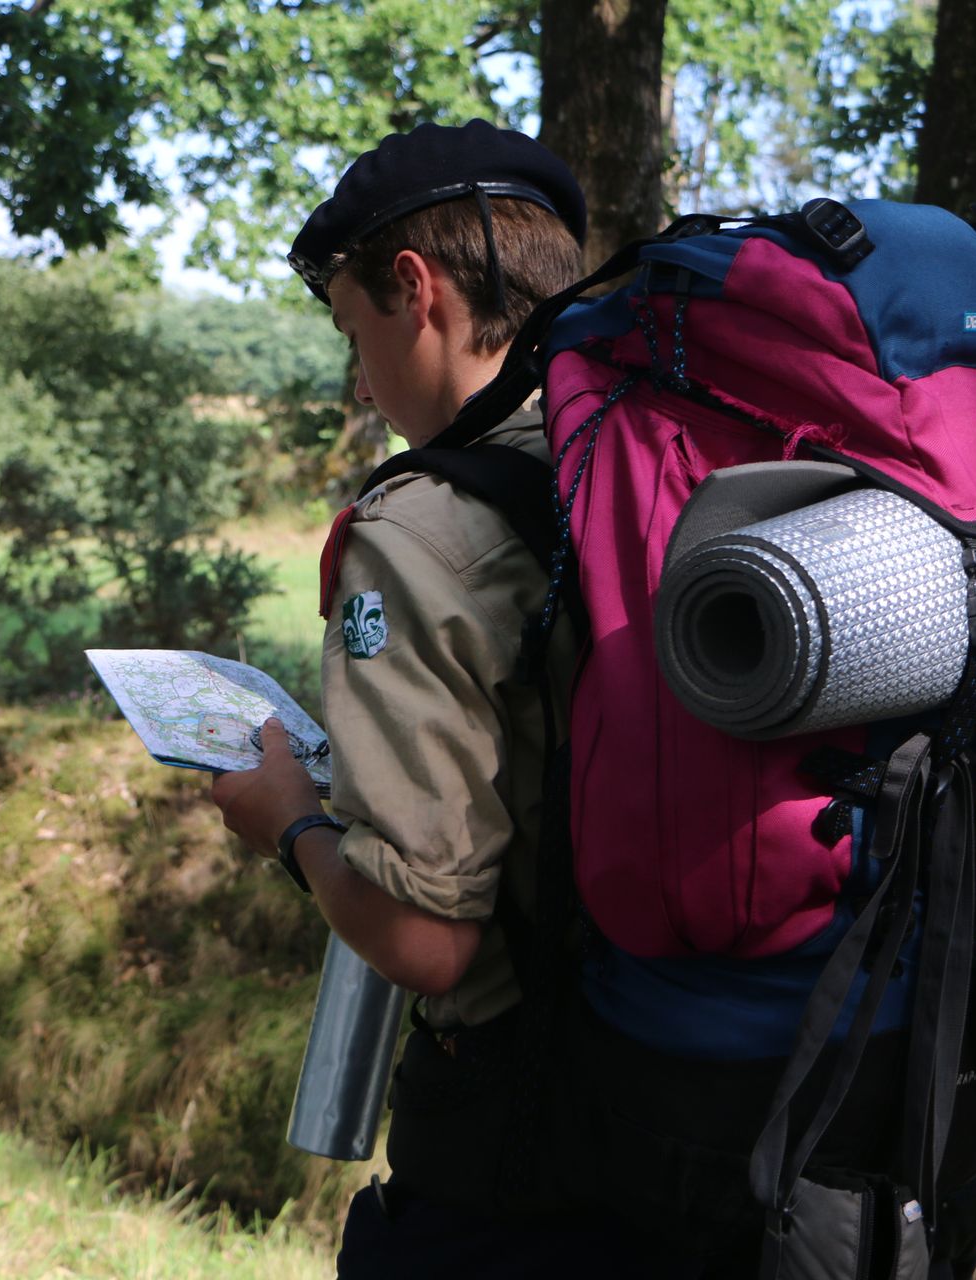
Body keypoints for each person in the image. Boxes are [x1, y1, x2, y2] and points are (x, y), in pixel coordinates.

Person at [208, 121, 655, 1275]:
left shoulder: (423, 530)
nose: (365, 380)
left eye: (359, 335)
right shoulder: (651, 456)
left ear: (417, 290)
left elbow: (426, 937)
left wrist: (291, 823)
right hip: (748, 1106)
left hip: (528, 1156)